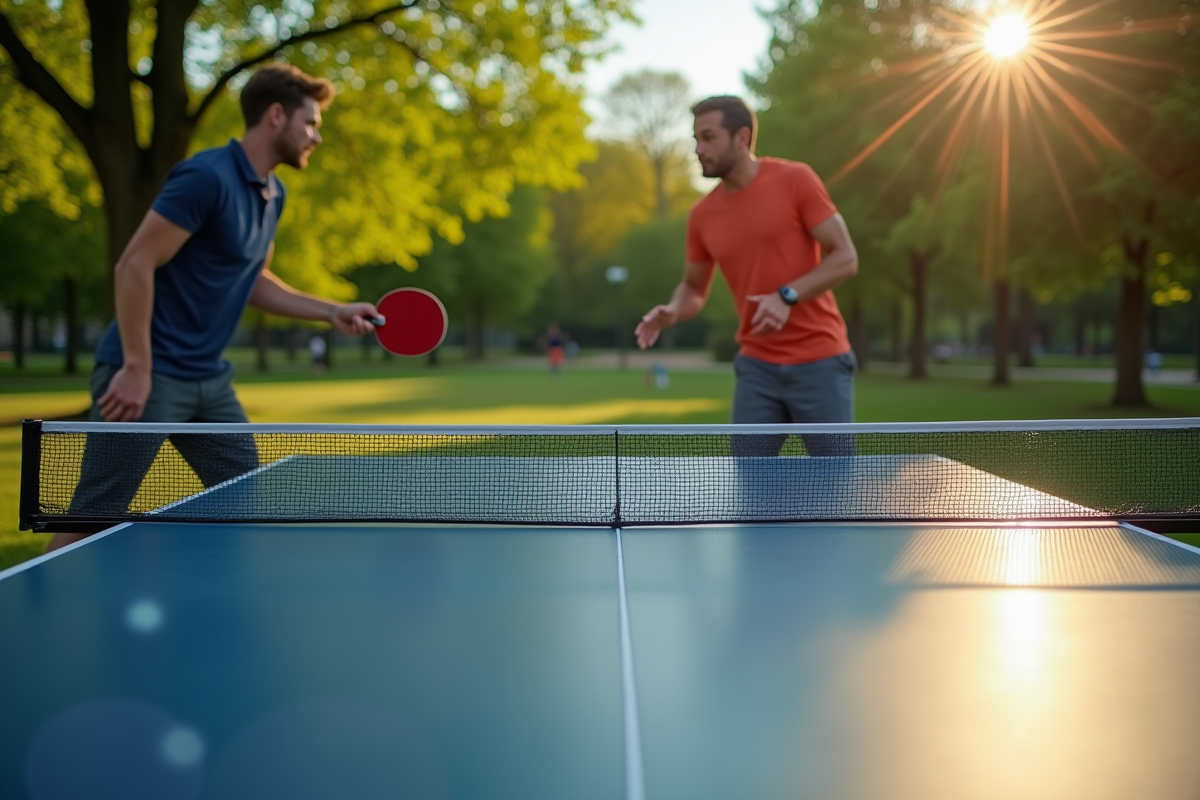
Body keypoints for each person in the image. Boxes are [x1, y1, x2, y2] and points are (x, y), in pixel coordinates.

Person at [50, 65, 380, 553]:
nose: (317, 137)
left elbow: (253, 281)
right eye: (310, 123)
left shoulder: (273, 194)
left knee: (244, 499)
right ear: (275, 115)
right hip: (149, 376)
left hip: (210, 383)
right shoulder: (206, 177)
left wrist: (331, 312)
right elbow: (134, 264)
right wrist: (137, 368)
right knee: (95, 514)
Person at [635, 96, 859, 457]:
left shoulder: (795, 179)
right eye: (695, 139)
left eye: (708, 137)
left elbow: (846, 257)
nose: (698, 149)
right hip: (757, 367)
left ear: (741, 137)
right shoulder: (702, 214)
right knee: (749, 487)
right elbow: (693, 287)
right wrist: (674, 311)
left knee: (834, 488)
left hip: (820, 361)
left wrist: (787, 295)